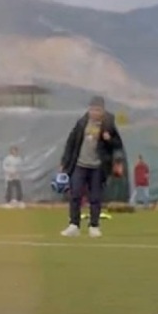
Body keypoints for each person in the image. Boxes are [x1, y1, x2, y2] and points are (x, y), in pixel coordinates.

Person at [59, 96, 123, 238]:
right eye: (92, 109)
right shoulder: (82, 123)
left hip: (97, 166)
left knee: (95, 197)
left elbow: (118, 145)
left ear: (103, 111)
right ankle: (74, 225)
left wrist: (109, 140)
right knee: (75, 194)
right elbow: (71, 142)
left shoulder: (108, 125)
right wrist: (65, 161)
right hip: (80, 164)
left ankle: (94, 226)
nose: (94, 112)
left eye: (98, 110)